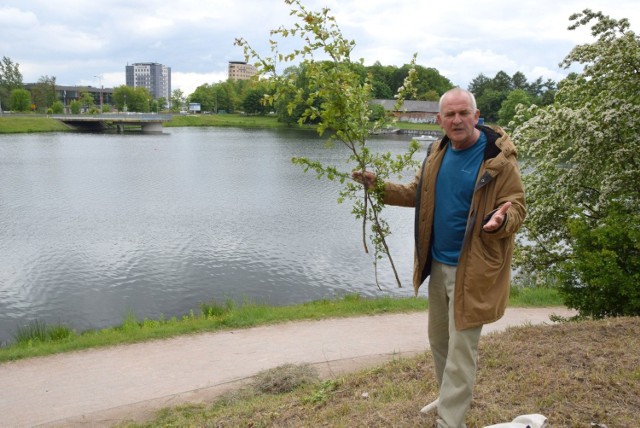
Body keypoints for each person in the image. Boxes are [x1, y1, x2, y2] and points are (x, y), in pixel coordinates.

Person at [353, 88, 526, 427]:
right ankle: (449, 396)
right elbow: (417, 194)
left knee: (462, 351)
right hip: (438, 263)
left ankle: (450, 420)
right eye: (450, 114)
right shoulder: (436, 151)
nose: (457, 120)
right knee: (441, 342)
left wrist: (501, 220)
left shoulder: (499, 160)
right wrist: (378, 186)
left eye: (464, 113)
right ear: (439, 120)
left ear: (477, 117)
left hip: (474, 270)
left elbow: (516, 206)